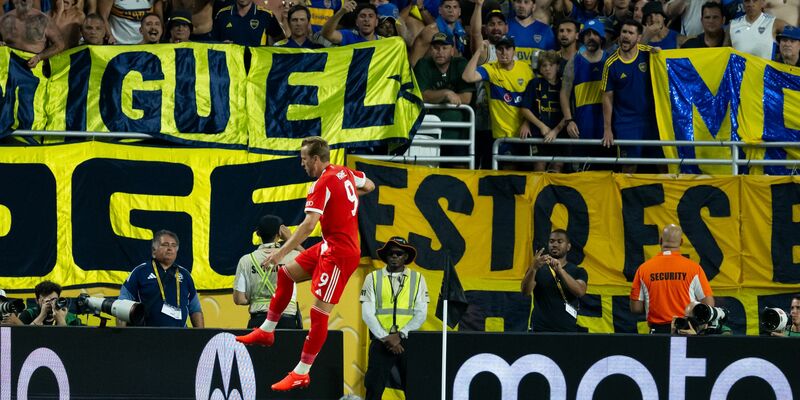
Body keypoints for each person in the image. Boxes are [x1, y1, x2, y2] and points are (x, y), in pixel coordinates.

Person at [235, 136, 376, 392]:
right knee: (286, 274)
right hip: (328, 244)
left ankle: (302, 371)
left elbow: (308, 225)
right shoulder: (343, 172)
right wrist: (344, 204)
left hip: (340, 253)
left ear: (315, 159)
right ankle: (267, 330)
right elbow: (370, 185)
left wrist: (280, 252)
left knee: (318, 312)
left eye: (303, 159)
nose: (302, 164)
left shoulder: (322, 182)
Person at [360, 236, 428, 400]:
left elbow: (421, 313)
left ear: (406, 256)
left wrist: (400, 334)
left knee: (414, 388)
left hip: (407, 341)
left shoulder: (418, 279)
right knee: (373, 388)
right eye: (391, 253)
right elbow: (367, 312)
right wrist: (386, 338)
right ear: (386, 256)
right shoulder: (372, 278)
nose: (394, 256)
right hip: (380, 341)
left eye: (399, 253)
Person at [462, 36, 534, 168]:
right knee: (507, 172)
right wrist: (478, 51)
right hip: (502, 136)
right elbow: (467, 77)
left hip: (525, 134)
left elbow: (534, 99)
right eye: (500, 49)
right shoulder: (491, 70)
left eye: (508, 48)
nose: (504, 52)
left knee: (525, 176)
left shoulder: (526, 70)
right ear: (495, 52)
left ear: (514, 51)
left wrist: (527, 123)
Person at [629, 224, 715, 334]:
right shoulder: (694, 268)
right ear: (681, 242)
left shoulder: (643, 269)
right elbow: (708, 304)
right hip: (686, 330)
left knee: (659, 352)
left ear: (660, 240)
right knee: (681, 352)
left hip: (657, 332)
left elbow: (636, 308)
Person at [601, 19, 659, 173]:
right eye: (624, 32)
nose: (626, 36)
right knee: (629, 167)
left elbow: (666, 64)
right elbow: (607, 97)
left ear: (639, 37)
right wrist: (607, 129)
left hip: (652, 121)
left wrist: (661, 54)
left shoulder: (649, 53)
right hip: (626, 123)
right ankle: (625, 197)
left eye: (630, 33)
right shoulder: (611, 63)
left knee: (662, 163)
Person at [118, 230, 205, 328]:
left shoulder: (185, 275)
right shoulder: (140, 272)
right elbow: (122, 306)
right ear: (154, 250)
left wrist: (200, 337)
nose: (170, 248)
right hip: (146, 336)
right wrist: (122, 339)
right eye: (165, 244)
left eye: (173, 245)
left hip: (180, 337)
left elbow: (195, 310)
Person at [233, 215, 303, 329]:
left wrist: (257, 300)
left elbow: (239, 299)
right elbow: (316, 263)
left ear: (258, 234)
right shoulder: (292, 256)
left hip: (258, 322)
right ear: (280, 233)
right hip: (286, 322)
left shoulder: (246, 260)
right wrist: (291, 239)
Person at [414, 31, 475, 161]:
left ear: (452, 50)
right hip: (428, 131)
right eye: (436, 48)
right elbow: (422, 96)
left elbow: (466, 98)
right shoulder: (423, 64)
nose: (440, 51)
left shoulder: (461, 64)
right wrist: (446, 93)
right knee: (427, 168)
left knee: (458, 167)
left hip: (458, 132)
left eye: (444, 48)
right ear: (430, 50)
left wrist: (435, 97)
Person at [560, 18, 611, 171]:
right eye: (587, 34)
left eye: (595, 34)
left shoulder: (610, 60)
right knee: (582, 173)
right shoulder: (574, 62)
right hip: (582, 126)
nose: (590, 37)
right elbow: (564, 94)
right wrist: (569, 120)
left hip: (606, 127)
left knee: (605, 172)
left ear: (601, 37)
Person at [521, 229, 588, 332]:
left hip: (567, 330)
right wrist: (533, 268)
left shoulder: (578, 271)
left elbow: (580, 291)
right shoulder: (538, 268)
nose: (555, 244)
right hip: (540, 330)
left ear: (568, 246)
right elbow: (525, 291)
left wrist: (560, 271)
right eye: (551, 241)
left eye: (560, 242)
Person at [521, 50, 567, 172]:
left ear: (557, 67)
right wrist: (541, 126)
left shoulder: (565, 85)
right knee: (539, 167)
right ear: (539, 69)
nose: (547, 69)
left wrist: (556, 131)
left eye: (551, 65)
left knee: (557, 167)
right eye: (544, 66)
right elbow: (525, 109)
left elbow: (569, 113)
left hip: (560, 135)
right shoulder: (534, 83)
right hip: (539, 134)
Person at [0, 0, 65, 68]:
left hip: (35, 73)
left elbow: (59, 45)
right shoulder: (3, 20)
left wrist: (39, 57)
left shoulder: (44, 19)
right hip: (9, 70)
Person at [409, 0, 467, 66]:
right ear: (440, 10)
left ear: (459, 12)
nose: (451, 10)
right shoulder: (430, 32)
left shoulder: (460, 31)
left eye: (455, 7)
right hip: (429, 73)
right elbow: (413, 63)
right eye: (447, 7)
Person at [212, 0, 284, 46]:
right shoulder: (222, 14)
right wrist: (221, 45)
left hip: (257, 68)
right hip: (230, 67)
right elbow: (212, 42)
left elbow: (282, 41)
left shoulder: (266, 15)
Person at [506, 0, 556, 65]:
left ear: (534, 6)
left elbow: (552, 61)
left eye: (526, 2)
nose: (522, 6)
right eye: (518, 2)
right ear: (513, 4)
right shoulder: (504, 27)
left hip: (535, 75)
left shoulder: (545, 30)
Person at [18, 281, 83, 326]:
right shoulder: (28, 314)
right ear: (37, 300)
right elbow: (24, 336)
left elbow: (73, 340)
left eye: (54, 299)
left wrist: (61, 320)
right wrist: (42, 316)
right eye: (45, 300)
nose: (50, 303)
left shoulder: (70, 318)